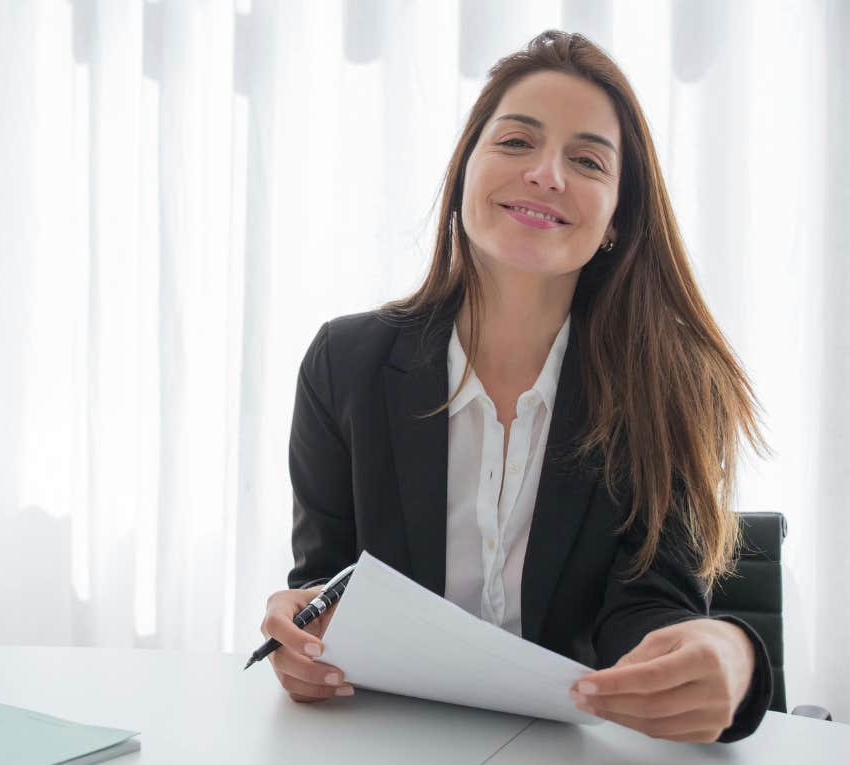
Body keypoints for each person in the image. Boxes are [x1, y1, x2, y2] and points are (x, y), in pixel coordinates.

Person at [258, 30, 774, 744]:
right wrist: (305, 631)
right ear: (464, 171)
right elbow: (330, 583)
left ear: (616, 221)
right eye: (516, 143)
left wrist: (732, 655)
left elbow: (652, 613)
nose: (547, 174)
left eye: (587, 159)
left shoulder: (675, 387)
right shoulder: (345, 364)